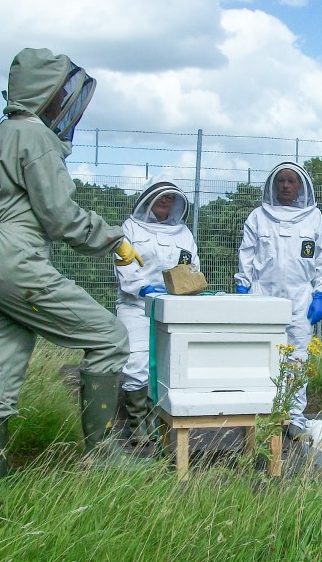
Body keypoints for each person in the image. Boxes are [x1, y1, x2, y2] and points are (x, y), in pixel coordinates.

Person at [0, 48, 145, 482]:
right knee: (109, 336)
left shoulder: (1, 134)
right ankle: (103, 457)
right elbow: (59, 216)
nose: (65, 100)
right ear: (43, 92)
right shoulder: (35, 137)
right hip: (13, 254)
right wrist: (112, 239)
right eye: (60, 91)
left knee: (0, 368)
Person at [234, 162, 322, 441]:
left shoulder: (313, 219)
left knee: (299, 355)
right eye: (281, 181)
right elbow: (247, 254)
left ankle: (295, 417)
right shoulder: (258, 217)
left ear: (300, 186)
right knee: (260, 354)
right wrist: (243, 286)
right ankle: (261, 413)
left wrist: (321, 293)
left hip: (301, 296)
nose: (286, 186)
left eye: (291, 181)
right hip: (262, 292)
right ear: (274, 186)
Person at [114, 176, 199, 447]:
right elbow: (125, 272)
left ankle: (163, 423)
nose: (166, 201)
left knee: (170, 366)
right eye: (161, 196)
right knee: (137, 364)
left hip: (173, 308)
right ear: (148, 198)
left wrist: (187, 287)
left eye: (170, 198)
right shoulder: (130, 228)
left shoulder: (183, 233)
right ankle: (138, 424)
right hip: (136, 306)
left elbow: (192, 268)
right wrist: (145, 289)